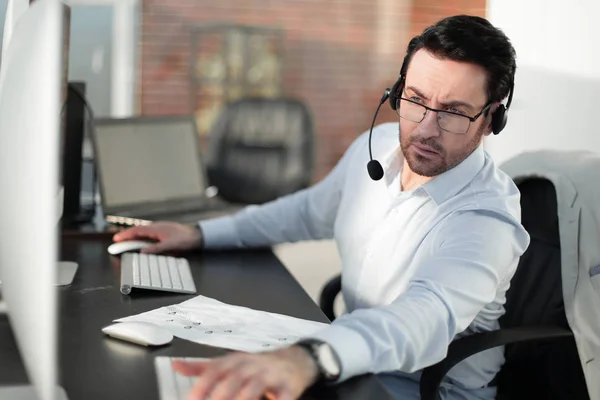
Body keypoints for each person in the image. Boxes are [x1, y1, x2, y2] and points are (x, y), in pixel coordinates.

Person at [114, 15, 530, 400]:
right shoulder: (383, 144)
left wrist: (310, 357)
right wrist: (203, 234)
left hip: (428, 388)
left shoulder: (487, 219)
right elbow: (306, 212)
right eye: (416, 100)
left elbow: (421, 319)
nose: (424, 128)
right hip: (355, 360)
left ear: (492, 118)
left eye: (453, 113)